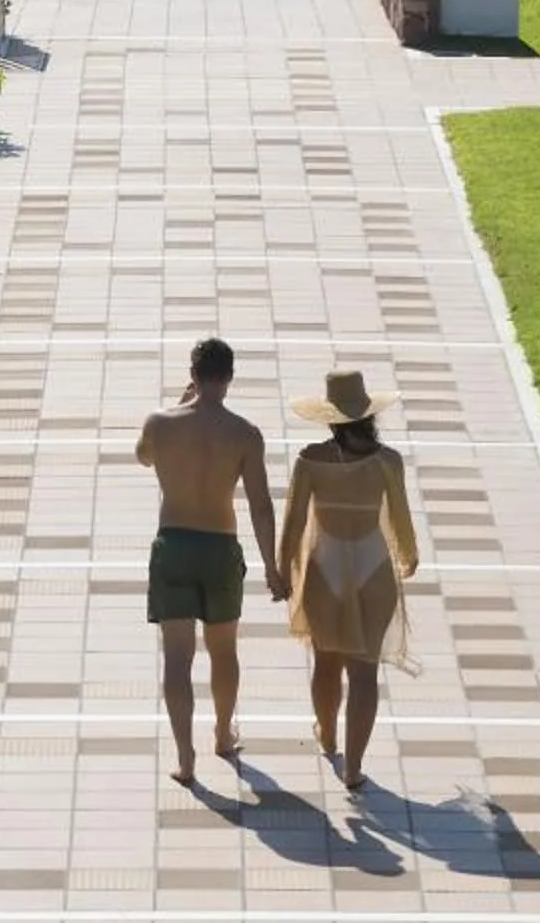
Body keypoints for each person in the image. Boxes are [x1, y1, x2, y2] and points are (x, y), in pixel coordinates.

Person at [134, 337, 286, 786]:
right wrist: (272, 569)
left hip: (173, 545)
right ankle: (222, 734)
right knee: (224, 651)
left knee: (177, 658)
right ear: (230, 378)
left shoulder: (160, 422)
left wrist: (178, 405)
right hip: (220, 548)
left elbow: (143, 457)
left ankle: (186, 758)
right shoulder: (245, 434)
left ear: (193, 374)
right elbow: (261, 506)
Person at [276, 368, 418, 790]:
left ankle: (329, 736)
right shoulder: (387, 461)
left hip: (326, 565)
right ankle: (354, 766)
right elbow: (400, 519)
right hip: (373, 567)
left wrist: (283, 569)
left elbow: (294, 523)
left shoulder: (310, 460)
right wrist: (409, 555)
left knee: (325, 661)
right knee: (364, 672)